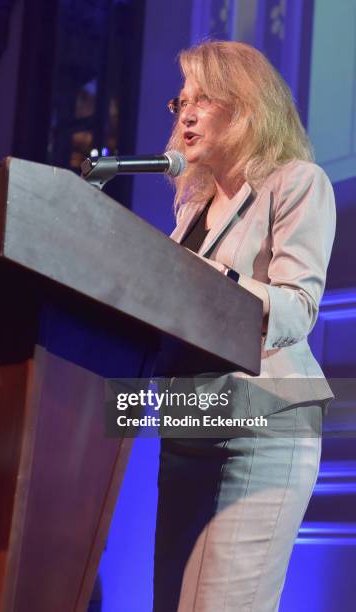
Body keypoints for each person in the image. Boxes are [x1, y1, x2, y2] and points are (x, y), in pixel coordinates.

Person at [153, 41, 336, 611]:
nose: (186, 113)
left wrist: (213, 276)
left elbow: (295, 310)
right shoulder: (191, 210)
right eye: (181, 100)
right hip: (189, 419)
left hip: (263, 423)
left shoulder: (298, 181)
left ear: (248, 106)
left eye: (204, 99)